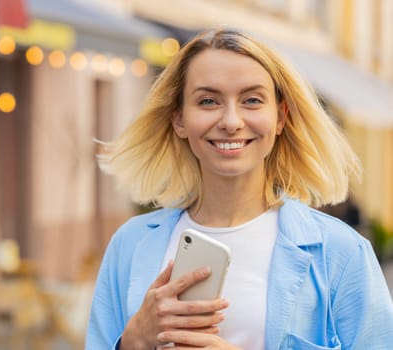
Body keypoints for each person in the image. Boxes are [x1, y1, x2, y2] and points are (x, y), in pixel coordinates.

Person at [85, 27, 393, 349]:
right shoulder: (130, 245)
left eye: (251, 100)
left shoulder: (341, 253)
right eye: (208, 101)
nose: (231, 121)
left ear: (280, 117)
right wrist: (132, 342)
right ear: (179, 119)